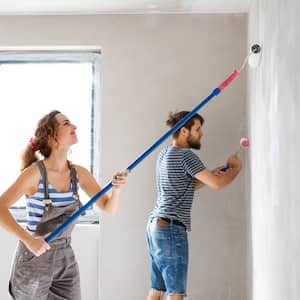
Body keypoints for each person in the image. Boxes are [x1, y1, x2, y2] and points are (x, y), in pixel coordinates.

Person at [0, 110, 127, 300]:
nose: (74, 127)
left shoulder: (79, 174)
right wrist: (29, 240)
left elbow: (109, 208)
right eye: (66, 123)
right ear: (50, 134)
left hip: (65, 257)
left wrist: (117, 189)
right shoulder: (34, 174)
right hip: (35, 257)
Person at [146, 111, 242, 300]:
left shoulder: (165, 153)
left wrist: (209, 175)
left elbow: (186, 186)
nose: (201, 134)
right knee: (176, 293)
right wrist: (236, 169)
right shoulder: (186, 156)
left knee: (157, 289)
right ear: (184, 131)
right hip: (171, 229)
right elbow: (218, 184)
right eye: (197, 129)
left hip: (155, 226)